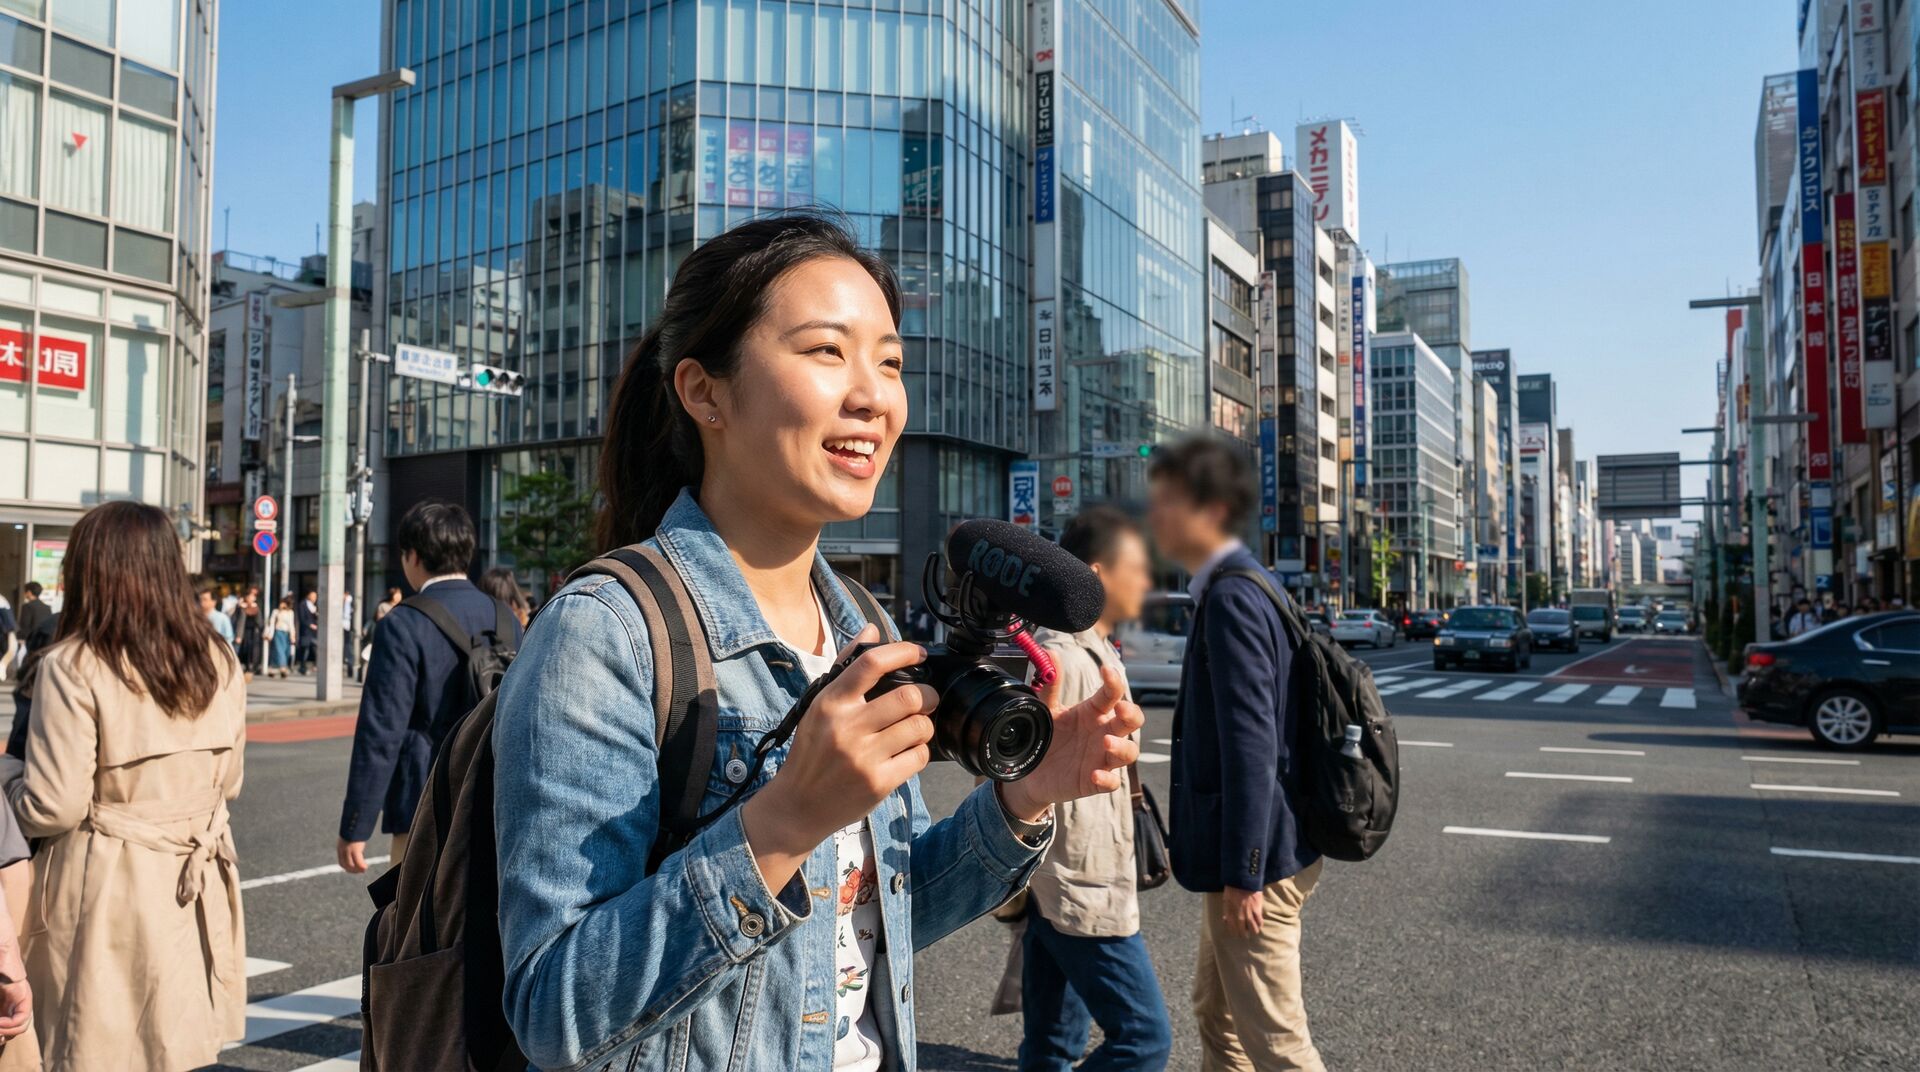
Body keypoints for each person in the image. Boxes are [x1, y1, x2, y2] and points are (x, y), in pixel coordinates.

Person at [491, 213, 1142, 1072]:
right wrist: (783, 823)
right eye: (827, 351)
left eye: (891, 361)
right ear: (705, 391)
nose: (873, 394)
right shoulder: (605, 633)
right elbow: (551, 1012)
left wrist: (1027, 799)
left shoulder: (860, 630)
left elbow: (882, 909)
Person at [0, 500, 246, 1070]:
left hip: (107, 886)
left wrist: (8, 776)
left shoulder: (74, 665)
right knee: (178, 1046)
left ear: (91, 572)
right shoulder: (218, 658)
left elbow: (52, 806)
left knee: (94, 1044)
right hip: (198, 881)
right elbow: (229, 782)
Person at [1147, 436, 1324, 1072]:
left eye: (1170, 503)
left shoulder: (1231, 598)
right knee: (1217, 1017)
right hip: (1251, 854)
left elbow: (1253, 743)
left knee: (1278, 1045)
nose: (1156, 518)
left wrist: (1246, 872)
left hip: (1256, 865)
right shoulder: (1245, 586)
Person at [998, 505, 1172, 1071]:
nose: (1145, 582)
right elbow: (1020, 772)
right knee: (1144, 1040)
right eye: (1137, 569)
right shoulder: (1068, 660)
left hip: (1058, 883)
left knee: (1051, 1047)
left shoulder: (1084, 649)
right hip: (1078, 882)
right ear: (1098, 576)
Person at [337, 500, 517, 874]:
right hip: (497, 797)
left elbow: (382, 731)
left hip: (425, 802)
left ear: (413, 557)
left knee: (414, 923)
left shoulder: (403, 624)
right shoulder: (506, 618)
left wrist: (357, 824)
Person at [236, 592, 263, 681]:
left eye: (252, 597)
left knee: (253, 650)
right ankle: (246, 667)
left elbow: (260, 621)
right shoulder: (241, 607)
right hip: (244, 632)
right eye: (249, 596)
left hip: (254, 633)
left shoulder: (256, 608)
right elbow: (239, 622)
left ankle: (251, 668)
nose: (251, 598)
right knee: (245, 650)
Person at [268, 597, 295, 678]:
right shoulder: (276, 612)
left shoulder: (290, 612)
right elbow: (271, 623)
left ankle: (272, 669)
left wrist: (293, 635)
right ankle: (283, 668)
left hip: (287, 633)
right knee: (279, 651)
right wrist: (270, 634)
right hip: (278, 632)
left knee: (286, 651)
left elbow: (291, 624)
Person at [295, 589, 319, 674]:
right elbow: (302, 618)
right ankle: (303, 667)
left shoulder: (315, 606)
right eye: (313, 596)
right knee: (305, 650)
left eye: (315, 597)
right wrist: (310, 625)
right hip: (306, 631)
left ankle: (316, 666)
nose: (314, 598)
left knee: (317, 648)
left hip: (314, 632)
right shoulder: (303, 605)